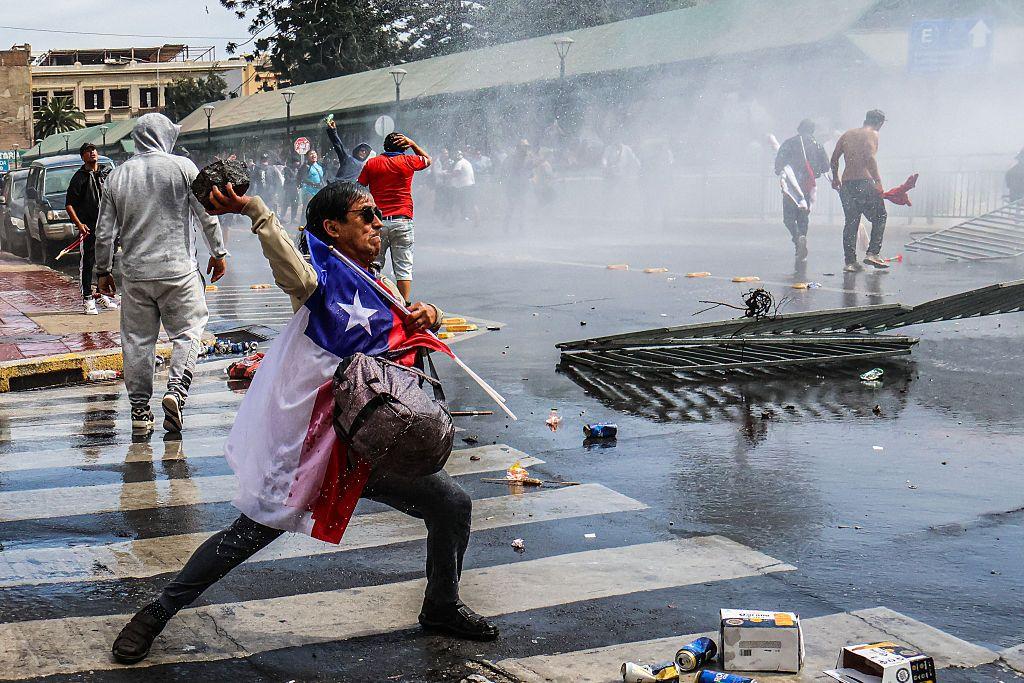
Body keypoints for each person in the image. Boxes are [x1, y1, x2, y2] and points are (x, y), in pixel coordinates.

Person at [110, 180, 498, 664]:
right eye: (366, 216)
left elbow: (406, 330)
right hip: (320, 449)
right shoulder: (320, 281)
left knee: (451, 504)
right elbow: (290, 268)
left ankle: (441, 606)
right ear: (332, 228)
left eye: (378, 215)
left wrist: (432, 313)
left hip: (375, 442)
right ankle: (156, 613)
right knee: (247, 535)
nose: (378, 223)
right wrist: (255, 211)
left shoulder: (371, 280)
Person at [94, 113, 228, 433]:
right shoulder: (184, 168)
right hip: (178, 270)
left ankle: (140, 411)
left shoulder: (117, 176)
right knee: (188, 332)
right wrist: (218, 253)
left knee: (137, 342)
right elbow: (206, 215)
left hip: (135, 274)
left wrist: (102, 271)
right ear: (165, 137)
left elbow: (104, 232)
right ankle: (176, 392)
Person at [357, 132, 431, 303]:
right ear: (404, 147)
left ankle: (371, 303)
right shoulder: (409, 161)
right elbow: (427, 159)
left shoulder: (372, 163)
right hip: (403, 221)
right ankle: (403, 306)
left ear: (385, 146)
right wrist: (413, 143)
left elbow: (359, 188)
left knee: (373, 264)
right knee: (403, 268)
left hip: (378, 223)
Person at [831, 109, 889, 271]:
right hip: (864, 182)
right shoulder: (873, 134)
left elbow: (834, 158)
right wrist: (878, 181)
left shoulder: (847, 134)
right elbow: (869, 157)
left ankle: (850, 262)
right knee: (880, 216)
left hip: (847, 184)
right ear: (880, 123)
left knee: (851, 221)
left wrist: (835, 177)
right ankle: (873, 253)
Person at [66, 143, 117, 315]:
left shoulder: (107, 173)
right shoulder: (79, 178)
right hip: (89, 227)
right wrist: (79, 224)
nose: (92, 153)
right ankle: (87, 298)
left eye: (93, 150)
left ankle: (102, 294)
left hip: (108, 226)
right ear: (83, 157)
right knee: (87, 262)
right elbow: (69, 205)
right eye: (88, 151)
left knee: (107, 261)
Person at [774, 119, 830, 261]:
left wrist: (779, 170)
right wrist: (814, 171)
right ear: (812, 130)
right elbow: (825, 166)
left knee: (788, 218)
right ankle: (801, 239)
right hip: (807, 185)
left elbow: (779, 162)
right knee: (803, 216)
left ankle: (797, 237)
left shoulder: (790, 143)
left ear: (799, 129)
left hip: (791, 186)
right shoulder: (817, 145)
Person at [326, 118, 372, 182]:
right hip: (339, 185)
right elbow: (338, 145)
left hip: (351, 187)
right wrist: (333, 131)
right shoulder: (347, 159)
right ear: (357, 151)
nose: (363, 153)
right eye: (362, 150)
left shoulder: (364, 166)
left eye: (366, 152)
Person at [449, 150, 476, 221]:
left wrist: (448, 175)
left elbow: (456, 173)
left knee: (458, 202)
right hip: (471, 184)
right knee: (470, 202)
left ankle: (456, 219)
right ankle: (471, 217)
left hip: (463, 186)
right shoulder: (467, 162)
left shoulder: (459, 163)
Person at [299, 149, 325, 215]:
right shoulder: (306, 166)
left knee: (318, 209)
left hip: (318, 191)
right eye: (311, 154)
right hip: (309, 192)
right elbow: (304, 179)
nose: (313, 155)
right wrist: (314, 184)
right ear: (307, 157)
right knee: (307, 209)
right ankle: (303, 221)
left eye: (314, 153)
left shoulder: (319, 167)